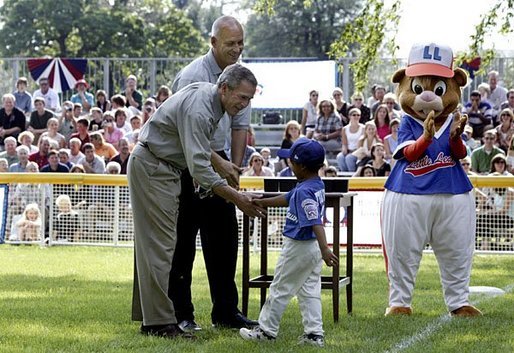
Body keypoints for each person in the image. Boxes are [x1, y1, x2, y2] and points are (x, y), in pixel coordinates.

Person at [128, 64, 265, 339]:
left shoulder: (209, 98)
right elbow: (200, 169)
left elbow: (195, 149)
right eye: (242, 97)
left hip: (161, 167)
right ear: (224, 88)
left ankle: (150, 317)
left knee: (155, 246)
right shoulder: (202, 109)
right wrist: (238, 198)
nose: (245, 104)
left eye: (249, 99)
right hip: (155, 168)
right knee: (162, 246)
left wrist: (222, 170)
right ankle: (158, 324)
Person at [168, 16, 257, 332]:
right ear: (213, 42)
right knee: (183, 245)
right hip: (186, 163)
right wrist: (214, 167)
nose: (237, 49)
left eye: (240, 43)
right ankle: (181, 314)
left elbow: (239, 127)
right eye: (230, 43)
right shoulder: (192, 76)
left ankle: (226, 312)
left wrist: (233, 169)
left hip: (219, 160)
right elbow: (185, 134)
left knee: (224, 242)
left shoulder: (241, 79)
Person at [239, 137, 338, 347]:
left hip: (299, 246)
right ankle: (314, 334)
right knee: (309, 290)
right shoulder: (313, 184)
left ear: (301, 166)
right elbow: (287, 197)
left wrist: (326, 249)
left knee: (280, 287)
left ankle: (266, 331)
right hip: (310, 248)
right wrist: (261, 202)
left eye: (291, 162)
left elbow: (315, 221)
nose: (289, 165)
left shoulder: (304, 191)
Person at [337, 107, 364, 172]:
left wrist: (354, 151)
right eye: (354, 115)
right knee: (340, 157)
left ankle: (352, 174)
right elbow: (344, 143)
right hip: (349, 150)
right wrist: (344, 150)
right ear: (349, 116)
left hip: (358, 150)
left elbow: (362, 143)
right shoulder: (345, 129)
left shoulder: (363, 128)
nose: (356, 116)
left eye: (358, 115)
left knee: (349, 158)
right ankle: (344, 175)